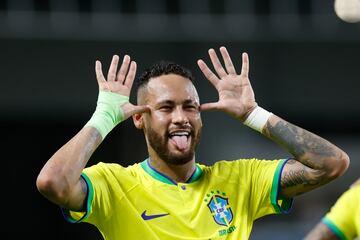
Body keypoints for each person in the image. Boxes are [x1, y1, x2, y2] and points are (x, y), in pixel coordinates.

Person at [36, 46, 350, 240]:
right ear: (139, 118)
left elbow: (331, 164)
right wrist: (102, 119)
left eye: (190, 107)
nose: (181, 117)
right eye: (165, 107)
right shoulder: (114, 185)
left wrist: (255, 115)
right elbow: (53, 182)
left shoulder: (241, 180)